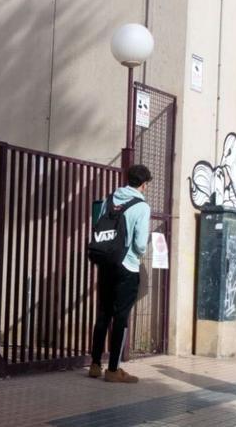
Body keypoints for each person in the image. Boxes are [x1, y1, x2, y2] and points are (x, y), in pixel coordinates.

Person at [88, 164, 152, 383]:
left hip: (106, 262)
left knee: (103, 313)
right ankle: (114, 369)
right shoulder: (141, 207)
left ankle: (95, 364)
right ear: (144, 184)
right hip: (128, 266)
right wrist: (136, 250)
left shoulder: (110, 198)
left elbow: (97, 224)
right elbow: (141, 245)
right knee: (121, 317)